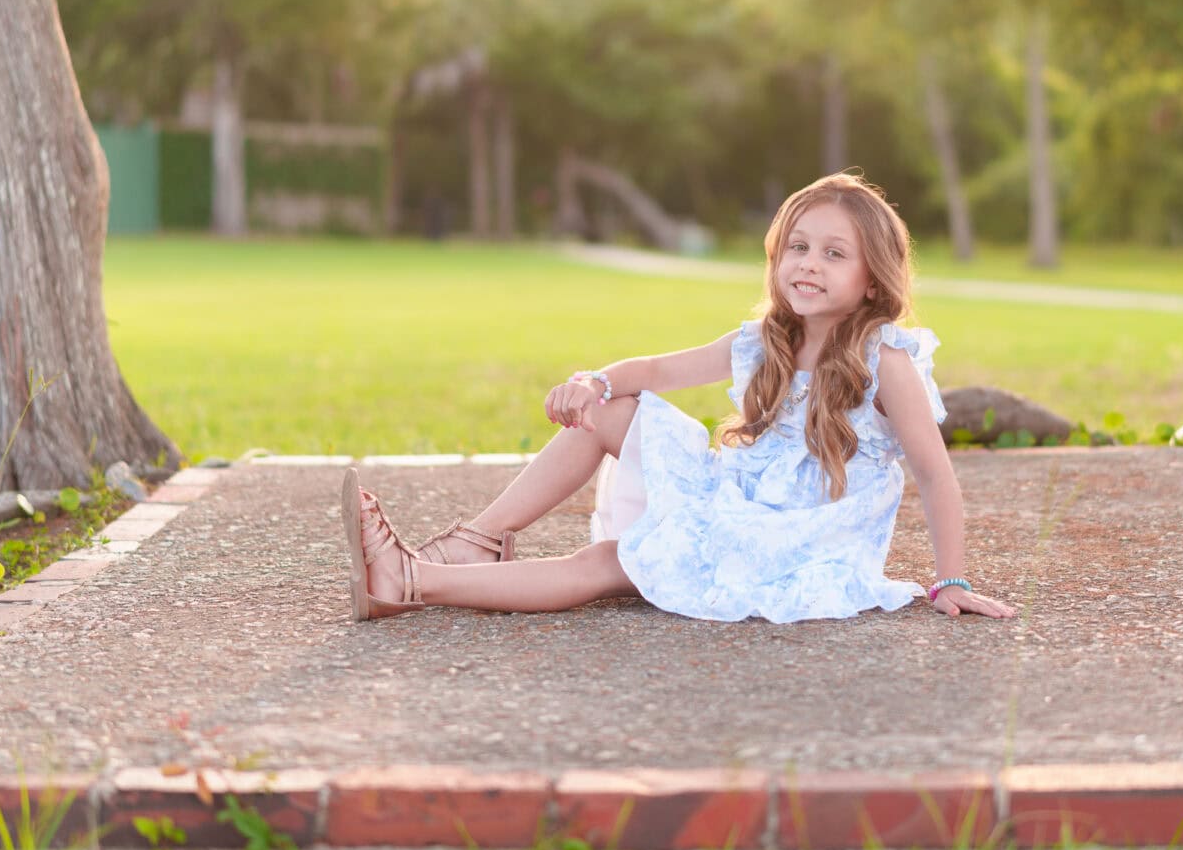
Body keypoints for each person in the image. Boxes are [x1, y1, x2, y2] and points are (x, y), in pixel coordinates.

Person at [341, 172, 1016, 623]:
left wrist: (950, 580)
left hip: (796, 540)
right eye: (798, 247)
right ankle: (479, 540)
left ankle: (411, 582)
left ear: (873, 280)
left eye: (835, 254)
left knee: (614, 563)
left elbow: (934, 474)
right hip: (739, 497)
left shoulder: (885, 358)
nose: (809, 263)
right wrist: (595, 381)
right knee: (609, 409)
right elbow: (658, 370)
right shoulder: (767, 339)